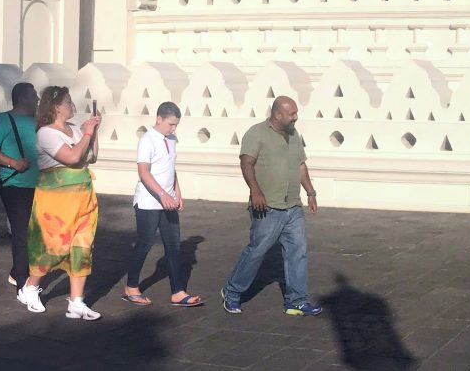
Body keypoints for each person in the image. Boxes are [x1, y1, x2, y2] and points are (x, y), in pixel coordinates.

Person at [221, 96, 325, 316]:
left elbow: (300, 165)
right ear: (278, 114)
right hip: (267, 206)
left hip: (292, 206)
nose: (296, 117)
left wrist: (310, 192)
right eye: (292, 114)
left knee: (298, 252)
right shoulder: (256, 133)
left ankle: (296, 301)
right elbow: (246, 162)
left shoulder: (294, 135)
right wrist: (255, 191)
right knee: (257, 251)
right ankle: (231, 292)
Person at [22, 86, 103, 319]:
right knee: (52, 245)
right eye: (68, 102)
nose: (72, 106)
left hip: (82, 195)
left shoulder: (76, 129)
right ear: (56, 107)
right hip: (56, 201)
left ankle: (76, 301)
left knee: (82, 246)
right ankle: (31, 287)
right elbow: (72, 157)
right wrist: (87, 134)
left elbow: (90, 157)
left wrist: (93, 132)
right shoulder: (46, 133)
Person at [124, 101, 203, 307]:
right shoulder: (147, 140)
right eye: (170, 124)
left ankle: (178, 291)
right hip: (149, 202)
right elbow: (144, 172)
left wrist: (177, 192)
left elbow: (170, 167)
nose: (173, 128)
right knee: (145, 243)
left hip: (167, 201)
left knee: (173, 245)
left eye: (176, 125)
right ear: (159, 119)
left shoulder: (172, 138)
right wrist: (161, 195)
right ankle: (131, 286)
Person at [0, 82, 40, 291]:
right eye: (34, 96)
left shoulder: (40, 122)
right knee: (22, 232)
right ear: (22, 98)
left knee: (39, 232)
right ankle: (23, 284)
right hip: (15, 184)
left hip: (41, 185)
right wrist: (12, 162)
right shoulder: (2, 121)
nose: (37, 100)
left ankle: (17, 272)